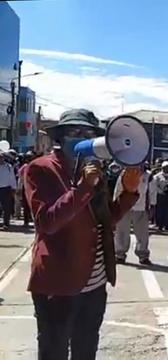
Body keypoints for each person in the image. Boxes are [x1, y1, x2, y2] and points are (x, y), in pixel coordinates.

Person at [24, 109, 141, 359]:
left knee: (86, 349)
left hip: (95, 282)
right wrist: (83, 187)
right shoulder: (40, 169)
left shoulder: (93, 169)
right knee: (53, 350)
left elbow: (104, 220)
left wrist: (128, 194)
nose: (82, 137)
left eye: (88, 133)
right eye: (75, 132)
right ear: (61, 137)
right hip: (59, 283)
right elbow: (47, 222)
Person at [114, 164, 156, 265]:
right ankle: (120, 254)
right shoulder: (124, 173)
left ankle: (143, 255)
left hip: (141, 208)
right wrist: (115, 206)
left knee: (142, 233)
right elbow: (118, 190)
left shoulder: (148, 176)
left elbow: (152, 193)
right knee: (122, 232)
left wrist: (153, 206)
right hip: (125, 207)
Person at [154, 161, 168, 232]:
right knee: (160, 211)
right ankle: (160, 225)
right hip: (160, 196)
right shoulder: (157, 176)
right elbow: (155, 186)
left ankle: (167, 225)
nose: (167, 169)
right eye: (165, 167)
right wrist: (161, 191)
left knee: (167, 211)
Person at [0, 153, 16, 230]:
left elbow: (12, 178)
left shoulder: (8, 167)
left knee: (6, 207)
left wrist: (14, 188)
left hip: (6, 189)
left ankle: (6, 223)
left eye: (1, 157)